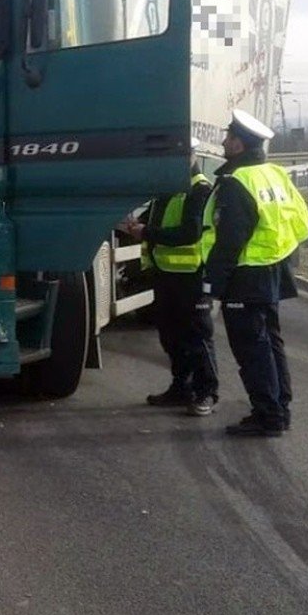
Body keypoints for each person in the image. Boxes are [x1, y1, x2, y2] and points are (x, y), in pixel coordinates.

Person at [201, 109, 308, 438]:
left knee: (252, 349)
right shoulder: (276, 174)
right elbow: (301, 223)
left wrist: (210, 286)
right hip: (273, 270)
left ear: (239, 144)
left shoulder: (238, 183)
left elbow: (229, 241)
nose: (223, 141)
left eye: (228, 137)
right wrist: (280, 253)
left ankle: (268, 415)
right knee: (271, 343)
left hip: (245, 275)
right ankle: (280, 408)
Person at [136, 148, 218, 415]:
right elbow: (150, 219)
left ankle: (206, 393)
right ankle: (180, 387)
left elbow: (190, 233)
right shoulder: (168, 189)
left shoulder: (200, 190)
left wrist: (146, 232)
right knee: (170, 335)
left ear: (192, 156)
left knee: (198, 338)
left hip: (192, 277)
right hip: (166, 274)